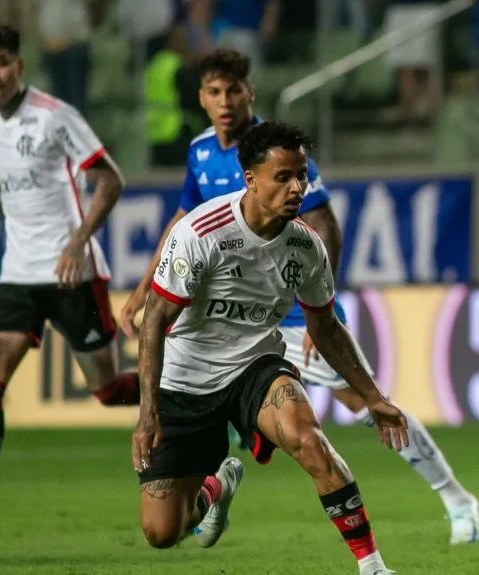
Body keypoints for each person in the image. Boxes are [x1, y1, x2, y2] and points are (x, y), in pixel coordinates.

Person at [119, 48, 479, 545]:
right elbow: (183, 220)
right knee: (204, 418)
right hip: (221, 323)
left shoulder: (278, 151)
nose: (225, 102)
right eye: (214, 92)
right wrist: (143, 288)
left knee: (361, 398)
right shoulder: (201, 151)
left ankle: (456, 499)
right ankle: (214, 485)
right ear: (201, 99)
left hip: (283, 314)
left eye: (234, 90)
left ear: (250, 92)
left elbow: (323, 223)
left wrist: (315, 312)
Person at [135, 120, 405, 575]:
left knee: (309, 440)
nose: (297, 186)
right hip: (184, 379)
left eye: (300, 175)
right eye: (283, 177)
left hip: (254, 368)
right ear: (251, 179)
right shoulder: (203, 233)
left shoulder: (305, 246)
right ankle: (214, 489)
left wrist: (374, 397)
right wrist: (147, 411)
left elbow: (327, 327)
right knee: (162, 533)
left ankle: (374, 567)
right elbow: (155, 319)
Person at [0, 22, 141, 537]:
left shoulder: (55, 117)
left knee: (108, 390)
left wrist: (75, 241)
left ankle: (202, 400)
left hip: (73, 274)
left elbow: (111, 178)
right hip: (17, 274)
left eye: (1, 62)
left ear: (19, 65)